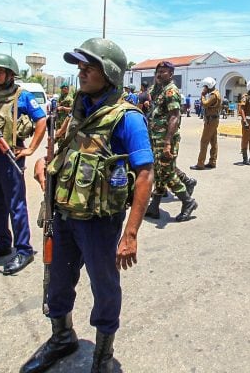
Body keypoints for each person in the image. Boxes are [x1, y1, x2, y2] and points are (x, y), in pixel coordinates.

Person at [20, 38, 153, 373]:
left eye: (89, 66)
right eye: (79, 66)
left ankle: (103, 357)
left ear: (108, 72)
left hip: (99, 222)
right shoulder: (79, 107)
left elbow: (145, 175)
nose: (81, 72)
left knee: (104, 287)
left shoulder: (128, 118)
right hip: (63, 214)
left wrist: (131, 233)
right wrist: (43, 166)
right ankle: (62, 336)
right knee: (57, 281)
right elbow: (62, 152)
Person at [0, 54, 47, 275]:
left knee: (16, 205)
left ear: (11, 74)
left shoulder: (21, 96)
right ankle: (2, 243)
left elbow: (41, 119)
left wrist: (31, 148)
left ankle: (24, 249)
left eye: (0, 71)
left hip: (9, 155)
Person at [143, 61, 197, 222]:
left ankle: (188, 202)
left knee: (167, 173)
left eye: (163, 72)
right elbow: (150, 95)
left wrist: (167, 142)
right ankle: (154, 206)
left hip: (166, 138)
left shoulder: (171, 91)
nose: (159, 74)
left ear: (171, 74)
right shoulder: (158, 89)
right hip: (155, 137)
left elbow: (175, 116)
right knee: (159, 172)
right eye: (158, 71)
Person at [191, 77, 222, 170]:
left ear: (209, 86)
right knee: (213, 141)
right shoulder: (216, 93)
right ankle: (212, 161)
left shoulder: (213, 95)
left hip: (211, 121)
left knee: (204, 141)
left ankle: (200, 163)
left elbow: (205, 104)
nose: (204, 88)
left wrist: (202, 95)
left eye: (205, 87)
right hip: (213, 120)